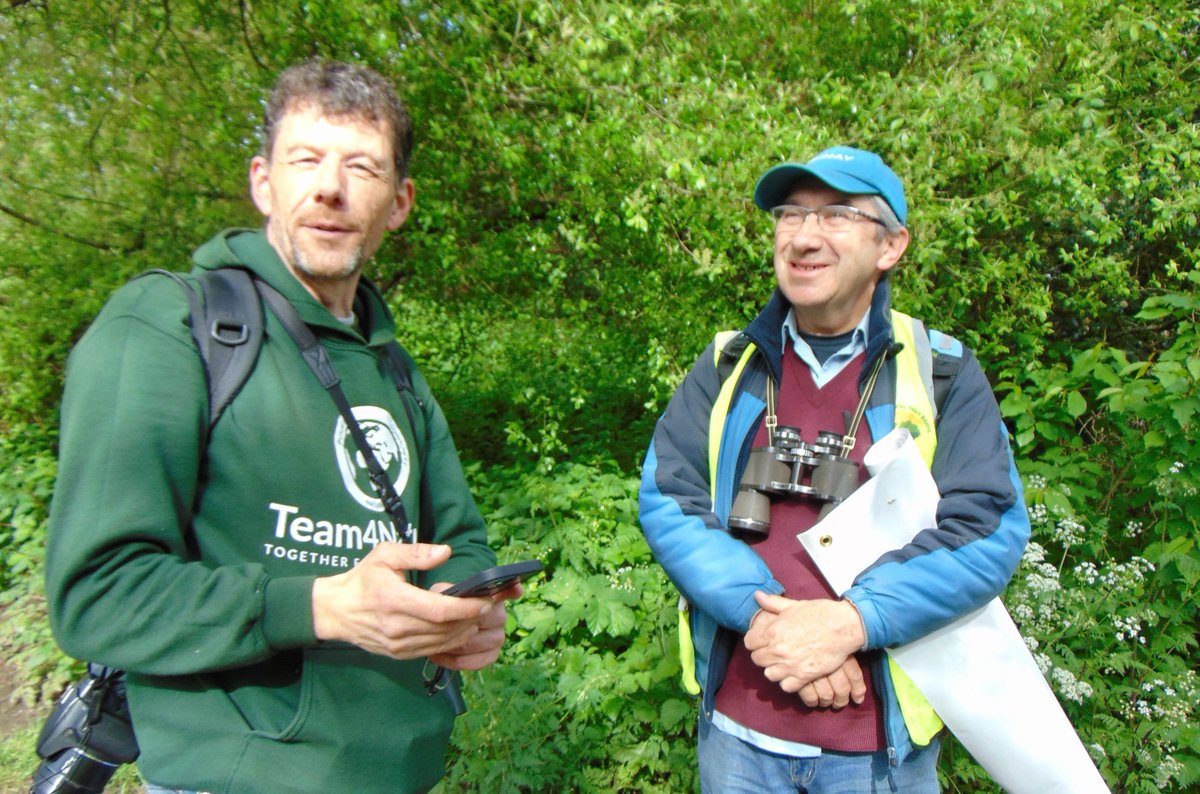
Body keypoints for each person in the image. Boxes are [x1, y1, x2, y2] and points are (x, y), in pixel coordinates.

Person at [45, 60, 515, 794]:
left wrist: (466, 612)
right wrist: (321, 606)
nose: (330, 187)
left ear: (399, 202)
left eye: (363, 166)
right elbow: (98, 594)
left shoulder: (393, 369)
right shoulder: (168, 328)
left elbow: (460, 541)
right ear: (263, 181)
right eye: (307, 160)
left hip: (401, 772)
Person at [638, 146, 1031, 792]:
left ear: (891, 246)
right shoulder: (728, 365)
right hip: (737, 737)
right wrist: (767, 620)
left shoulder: (942, 372)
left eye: (837, 215)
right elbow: (664, 497)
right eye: (791, 214)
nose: (804, 236)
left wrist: (852, 623)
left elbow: (987, 532)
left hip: (877, 754)